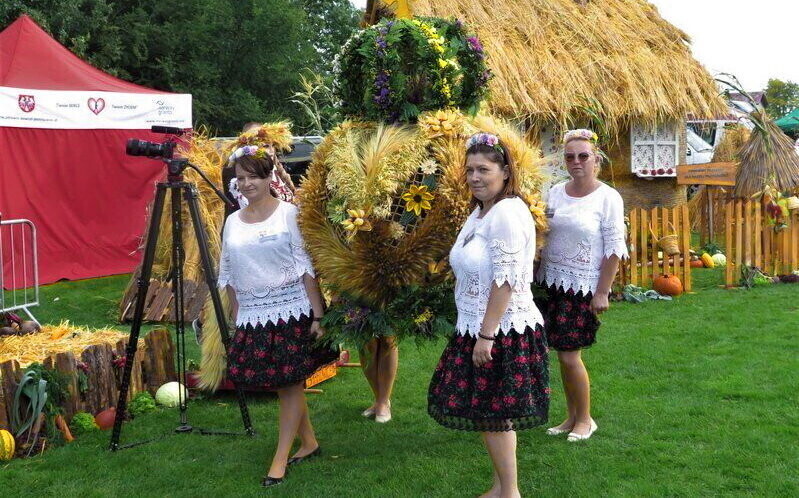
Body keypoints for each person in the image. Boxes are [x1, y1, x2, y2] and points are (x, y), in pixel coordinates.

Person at [428, 132, 549, 498]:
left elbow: (506, 279)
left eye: (484, 169)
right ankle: (501, 486)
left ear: (506, 172)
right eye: (469, 170)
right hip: (478, 326)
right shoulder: (481, 212)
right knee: (487, 411)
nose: (475, 177)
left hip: (503, 330)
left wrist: (487, 335)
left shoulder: (509, 213)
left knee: (494, 413)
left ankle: (510, 493)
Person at [218, 145, 338, 487]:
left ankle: (280, 458)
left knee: (288, 385)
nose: (246, 183)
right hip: (254, 316)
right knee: (284, 384)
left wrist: (318, 315)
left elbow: (306, 268)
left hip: (293, 311)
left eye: (253, 176)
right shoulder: (231, 222)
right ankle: (309, 441)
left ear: (269, 176)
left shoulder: (289, 214)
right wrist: (238, 318)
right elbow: (228, 273)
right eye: (240, 178)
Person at [535, 129, 627, 442]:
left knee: (569, 355)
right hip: (550, 282)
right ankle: (571, 416)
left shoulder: (608, 197)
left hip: (581, 286)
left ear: (596, 160)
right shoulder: (556, 192)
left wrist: (603, 291)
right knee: (562, 353)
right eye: (570, 156)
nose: (576, 162)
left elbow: (615, 248)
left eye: (583, 156)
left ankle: (586, 420)